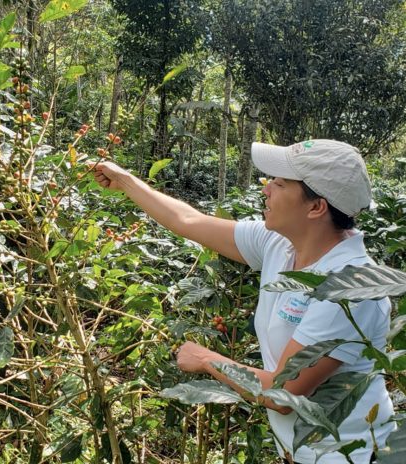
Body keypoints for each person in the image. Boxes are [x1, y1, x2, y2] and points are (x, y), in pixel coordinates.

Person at [91, 139, 394, 464]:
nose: (266, 189)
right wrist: (124, 180)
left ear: (316, 207)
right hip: (302, 451)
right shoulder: (280, 244)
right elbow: (187, 221)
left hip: (353, 454)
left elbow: (284, 392)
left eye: (279, 183)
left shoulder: (350, 285)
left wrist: (207, 359)